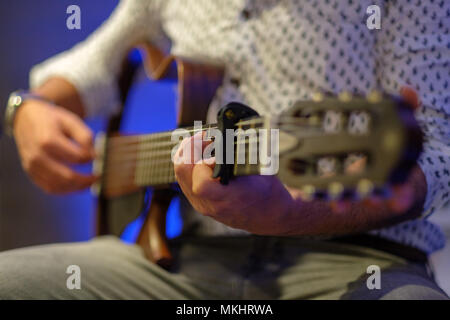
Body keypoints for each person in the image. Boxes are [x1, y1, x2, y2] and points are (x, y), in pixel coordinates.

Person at [1, 0, 449, 299]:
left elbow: (436, 151)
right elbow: (94, 64)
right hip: (187, 259)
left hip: (359, 259)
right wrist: (26, 108)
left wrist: (291, 214)